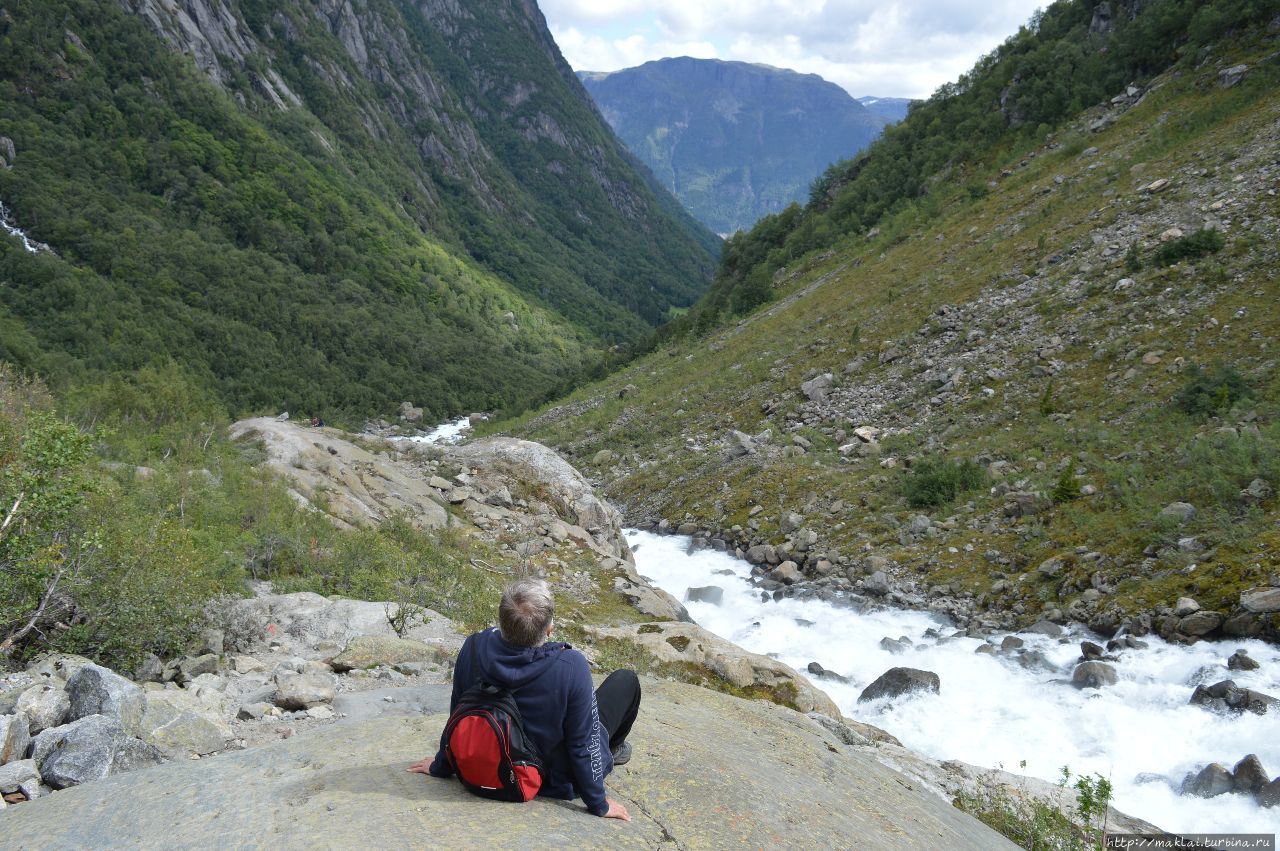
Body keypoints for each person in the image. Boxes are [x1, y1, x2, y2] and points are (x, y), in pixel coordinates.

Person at [408, 577, 640, 820]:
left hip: (495, 768)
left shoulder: (474, 648)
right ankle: (614, 750)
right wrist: (598, 802)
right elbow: (583, 742)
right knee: (626, 681)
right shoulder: (570, 665)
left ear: (502, 621)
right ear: (549, 629)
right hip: (554, 783)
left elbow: (458, 712)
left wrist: (442, 765)